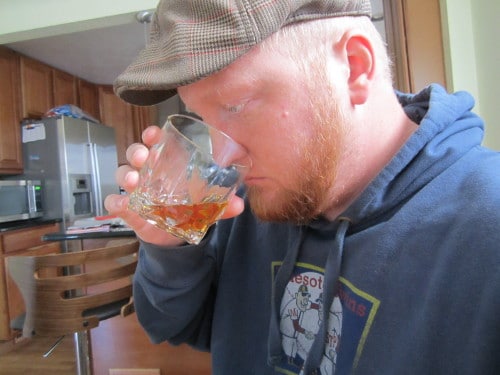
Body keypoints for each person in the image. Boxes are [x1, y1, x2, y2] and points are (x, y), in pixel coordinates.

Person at [105, 0, 500, 374]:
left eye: (236, 105)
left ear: (354, 66)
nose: (222, 160)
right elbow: (170, 326)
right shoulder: (248, 200)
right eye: (201, 117)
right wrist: (167, 248)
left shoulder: (487, 227)